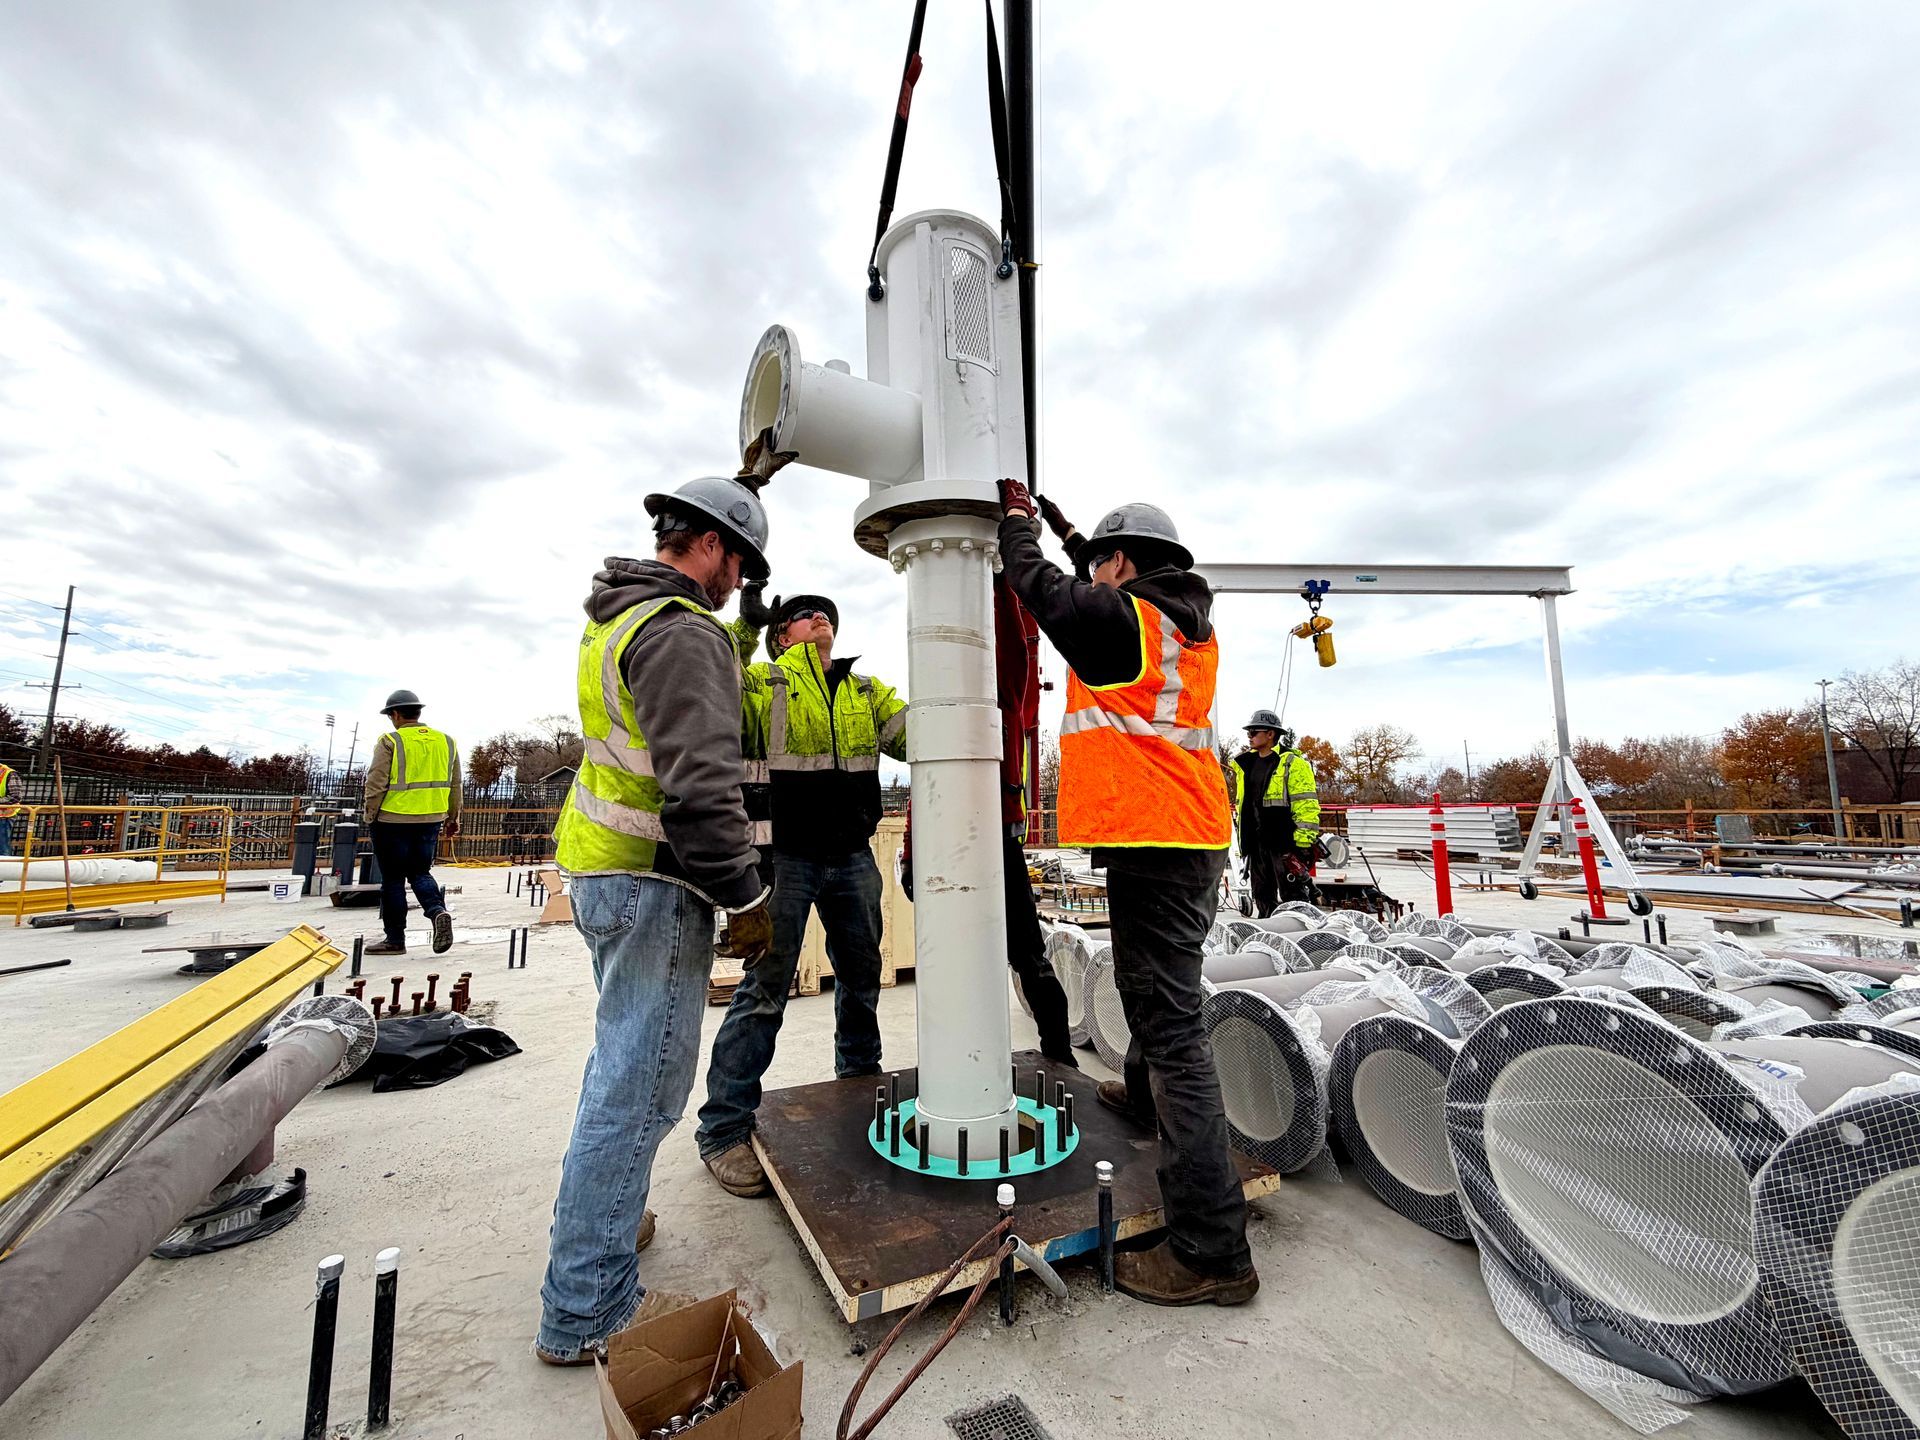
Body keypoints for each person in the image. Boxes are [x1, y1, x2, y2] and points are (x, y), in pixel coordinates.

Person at [998, 480, 1258, 1307]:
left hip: (1157, 842)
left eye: (1100, 565)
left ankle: (1211, 1252)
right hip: (1188, 836)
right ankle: (1144, 1100)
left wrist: (1017, 527)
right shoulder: (1176, 619)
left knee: (1173, 1030)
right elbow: (1090, 580)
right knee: (1164, 999)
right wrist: (1070, 530)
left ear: (1121, 565)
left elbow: (1044, 590)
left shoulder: (1127, 624)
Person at [535, 475, 775, 1366]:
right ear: (710, 545)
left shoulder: (621, 614)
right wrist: (746, 896)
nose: (738, 584)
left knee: (618, 1063)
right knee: (638, 1087)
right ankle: (587, 1307)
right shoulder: (681, 632)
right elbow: (699, 789)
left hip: (604, 869)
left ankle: (604, 1219)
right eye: (739, 564)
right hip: (653, 883)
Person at [694, 593, 907, 1198]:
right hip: (784, 858)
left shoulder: (864, 691)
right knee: (765, 989)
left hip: (852, 856)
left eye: (827, 613)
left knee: (862, 977)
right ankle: (723, 1131)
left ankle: (859, 1086)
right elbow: (716, 675)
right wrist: (745, 626)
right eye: (806, 613)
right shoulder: (765, 683)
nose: (821, 618)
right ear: (782, 635)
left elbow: (919, 733)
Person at [897, 575, 1077, 1068]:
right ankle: (963, 1062)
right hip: (947, 841)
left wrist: (999, 583)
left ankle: (1060, 1056)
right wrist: (912, 851)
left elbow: (1015, 650)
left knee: (1028, 957)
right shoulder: (937, 712)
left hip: (997, 841)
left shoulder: (1004, 699)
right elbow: (923, 785)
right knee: (958, 960)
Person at [361, 690, 460, 957]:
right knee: (420, 872)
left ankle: (395, 940)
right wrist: (453, 817)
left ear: (395, 714)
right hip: (431, 819)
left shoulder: (390, 741)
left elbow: (376, 782)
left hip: (392, 819)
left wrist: (370, 815)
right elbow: (456, 784)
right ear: (417, 712)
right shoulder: (446, 741)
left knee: (393, 880)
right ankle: (436, 911)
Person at [1228, 712, 1321, 917]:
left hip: (1284, 844)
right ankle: (1269, 927)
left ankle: (1299, 929)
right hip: (1256, 843)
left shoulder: (1293, 764)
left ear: (1270, 734)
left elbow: (1306, 804)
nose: (1249, 736)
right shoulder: (1245, 765)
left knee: (1293, 897)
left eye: (1254, 732)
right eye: (1248, 732)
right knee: (1262, 894)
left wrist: (1302, 843)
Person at [0, 759, 19, 857]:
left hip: (4, 816)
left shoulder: (9, 774)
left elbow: (15, 797)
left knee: (2, 847)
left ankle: (4, 865)